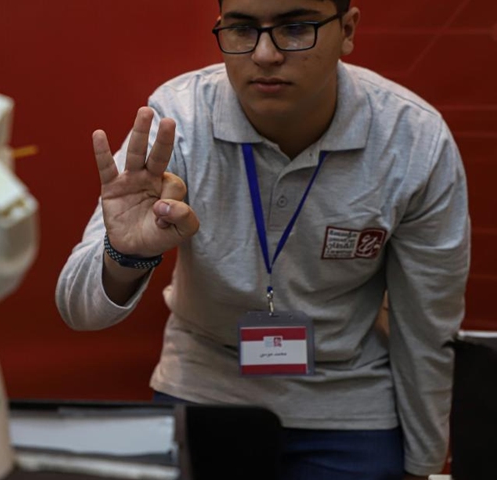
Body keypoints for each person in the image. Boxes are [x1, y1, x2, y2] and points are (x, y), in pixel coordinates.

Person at [56, 0, 470, 478]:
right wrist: (125, 252)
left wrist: (421, 464)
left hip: (347, 397)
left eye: (296, 27)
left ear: (348, 29)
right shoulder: (178, 120)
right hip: (207, 381)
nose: (266, 54)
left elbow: (427, 325)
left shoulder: (413, 140)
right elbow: (78, 310)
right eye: (242, 29)